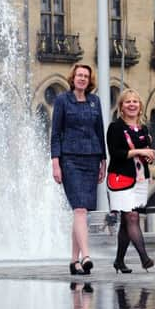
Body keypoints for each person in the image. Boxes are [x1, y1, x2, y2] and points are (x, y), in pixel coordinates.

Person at [51, 64, 106, 276]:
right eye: (79, 75)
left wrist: (103, 160)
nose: (82, 79)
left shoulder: (95, 101)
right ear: (72, 78)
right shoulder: (62, 100)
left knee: (81, 213)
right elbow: (55, 133)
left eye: (85, 76)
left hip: (92, 158)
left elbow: (99, 130)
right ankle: (86, 256)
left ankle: (74, 261)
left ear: (89, 80)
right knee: (80, 209)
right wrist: (55, 162)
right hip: (70, 159)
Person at [106, 88, 155, 273]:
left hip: (140, 178)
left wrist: (148, 156)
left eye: (135, 101)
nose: (132, 104)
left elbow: (146, 151)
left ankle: (119, 260)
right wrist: (139, 151)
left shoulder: (143, 128)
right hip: (121, 178)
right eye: (128, 102)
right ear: (121, 107)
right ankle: (144, 257)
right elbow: (116, 154)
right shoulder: (115, 127)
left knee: (129, 221)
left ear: (140, 106)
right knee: (131, 216)